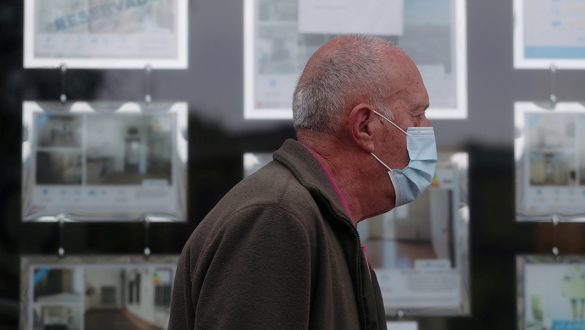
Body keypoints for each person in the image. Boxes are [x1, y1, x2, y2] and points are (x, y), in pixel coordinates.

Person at [168, 35, 437, 330]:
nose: (427, 128)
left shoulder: (317, 217)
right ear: (364, 126)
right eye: (418, 114)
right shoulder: (275, 217)